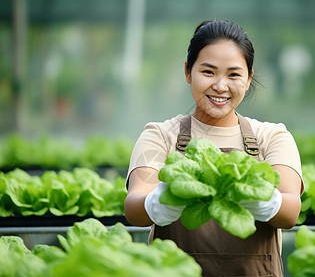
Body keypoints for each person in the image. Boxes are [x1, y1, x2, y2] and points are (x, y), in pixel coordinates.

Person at [124, 19, 303, 277]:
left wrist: (267, 202)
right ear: (188, 72)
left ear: (249, 78)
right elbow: (133, 208)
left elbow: (290, 213)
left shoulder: (273, 136)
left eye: (233, 74)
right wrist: (156, 203)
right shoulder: (160, 135)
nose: (220, 86)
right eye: (208, 72)